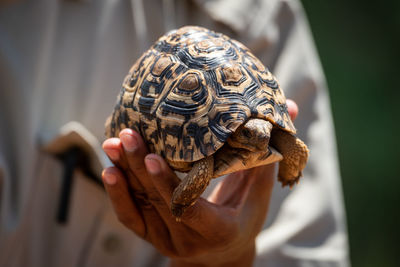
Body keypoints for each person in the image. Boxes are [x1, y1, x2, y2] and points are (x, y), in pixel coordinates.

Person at [0, 0, 349, 266]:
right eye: (250, 136)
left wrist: (230, 259)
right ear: (236, 135)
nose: (260, 140)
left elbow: (305, 246)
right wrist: (183, 201)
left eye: (261, 135)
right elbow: (205, 166)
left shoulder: (263, 14)